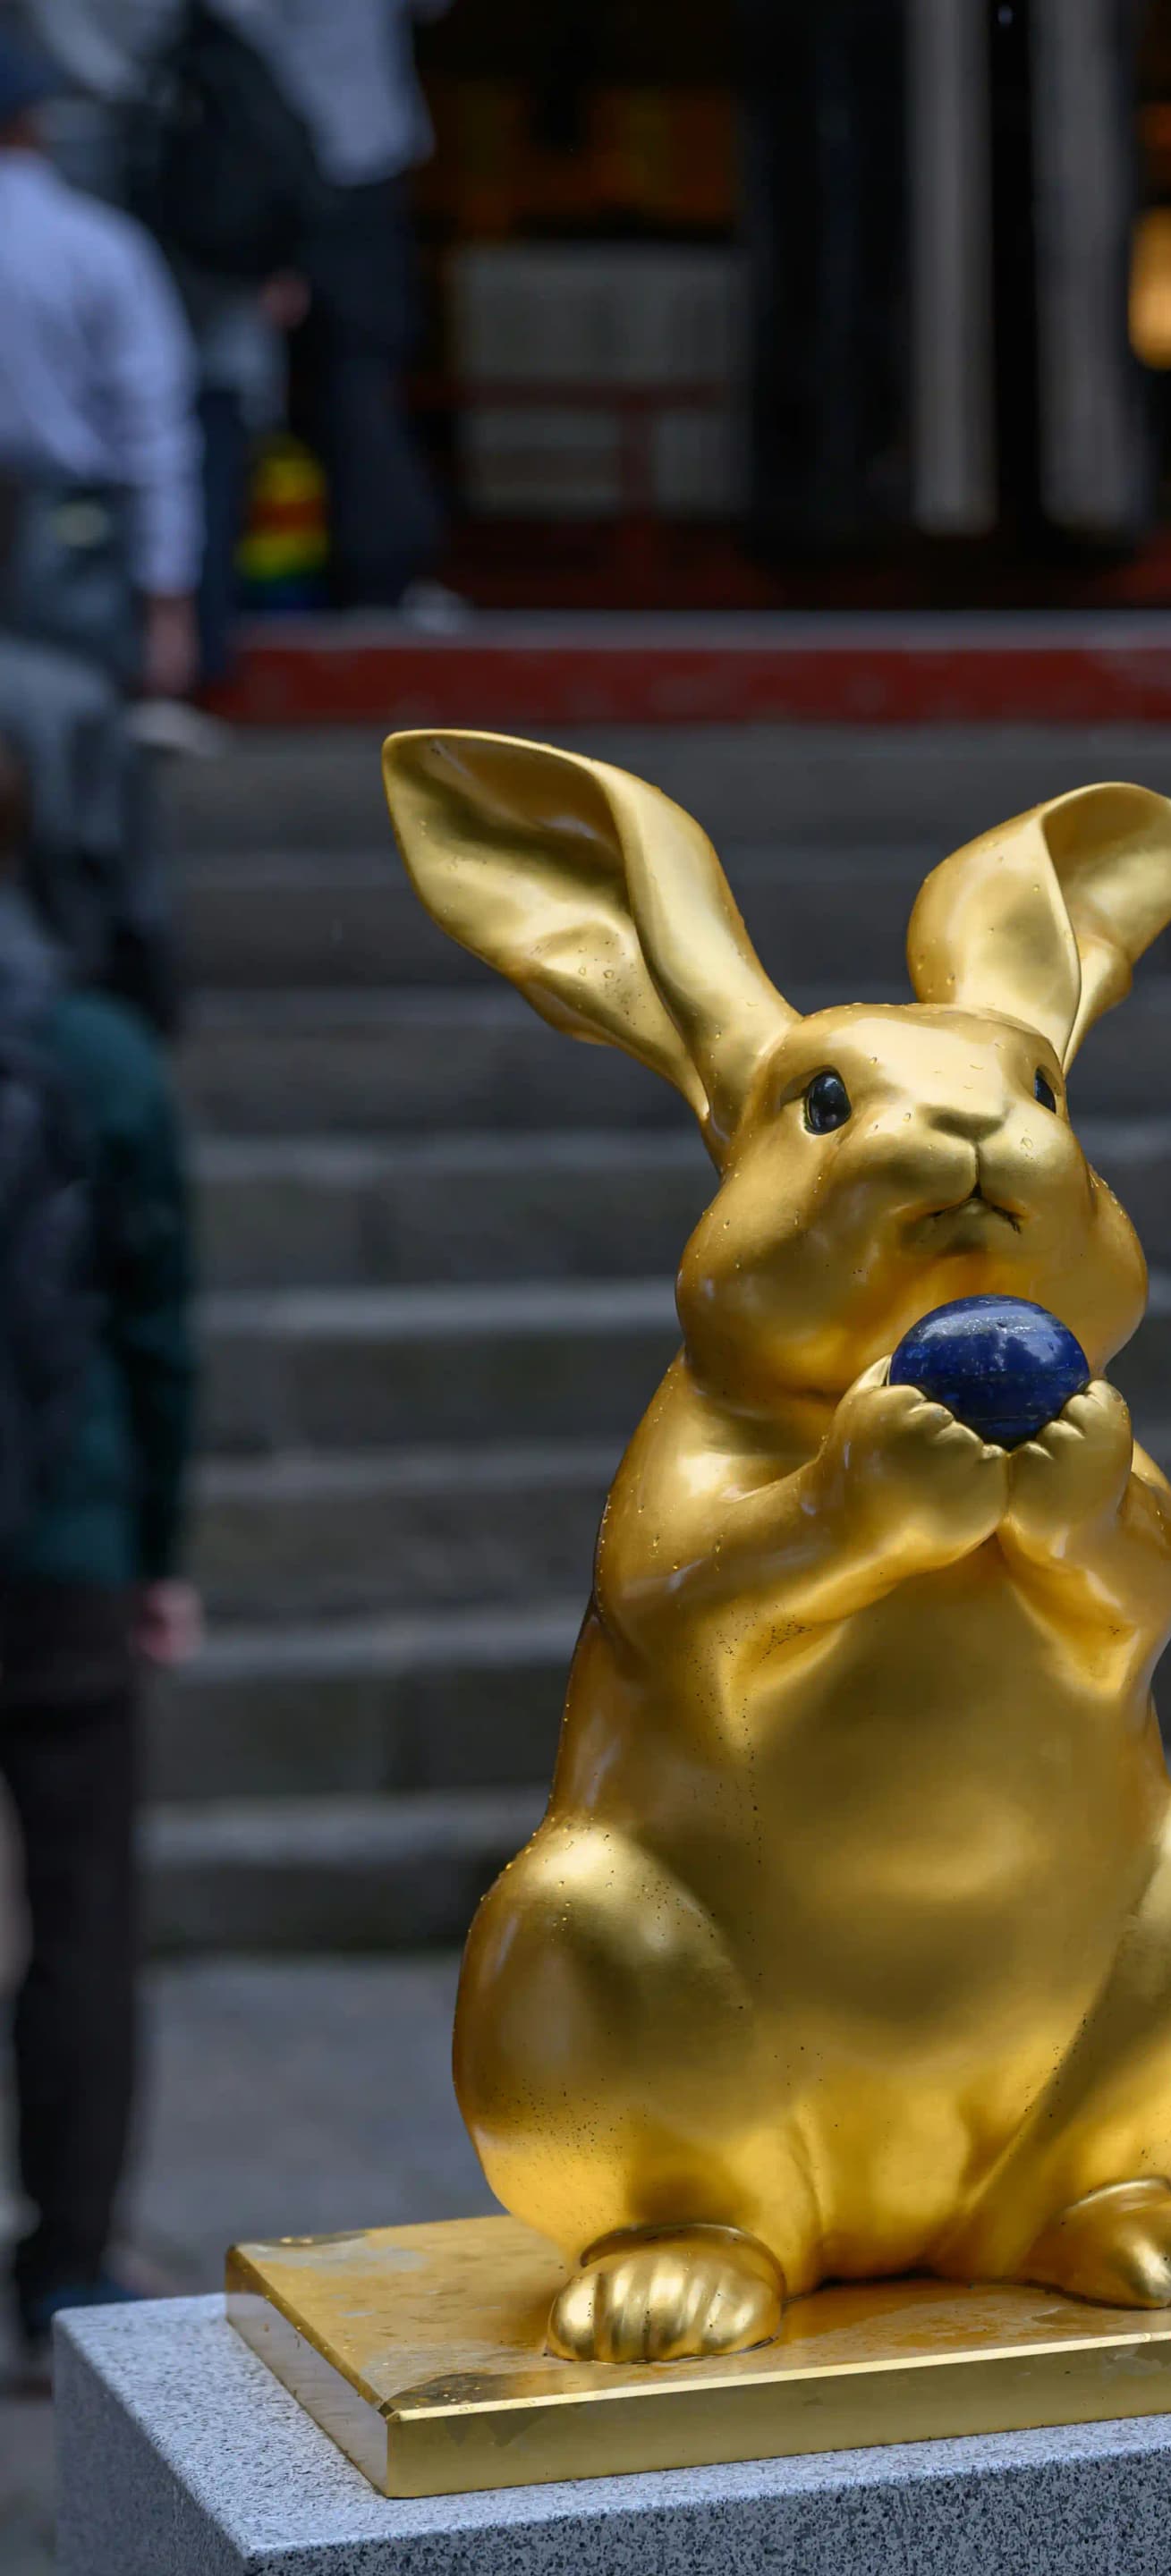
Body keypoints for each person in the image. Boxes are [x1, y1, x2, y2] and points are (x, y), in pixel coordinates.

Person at [0, 726, 199, 2378]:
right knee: (83, 1911)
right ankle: (67, 2262)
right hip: (62, 1533)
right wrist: (156, 1548)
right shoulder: (97, 1052)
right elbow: (158, 1328)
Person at [0, 25, 201, 701]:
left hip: (64, 531)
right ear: (34, 125)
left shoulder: (96, 244)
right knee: (78, 752)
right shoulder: (97, 245)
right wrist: (168, 598)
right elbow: (153, 424)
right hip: (75, 538)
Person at [243, 0, 450, 610]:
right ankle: (368, 579)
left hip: (339, 161)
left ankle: (366, 572)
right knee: (333, 378)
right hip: (283, 163)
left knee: (354, 375)